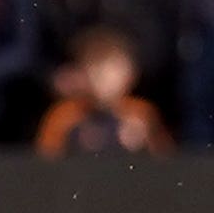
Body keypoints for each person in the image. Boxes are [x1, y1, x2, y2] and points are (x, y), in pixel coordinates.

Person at [34, 27, 173, 157]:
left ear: (130, 75)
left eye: (112, 73)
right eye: (98, 73)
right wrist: (75, 140)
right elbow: (46, 158)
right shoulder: (64, 114)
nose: (105, 83)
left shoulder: (142, 113)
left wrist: (141, 142)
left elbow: (166, 158)